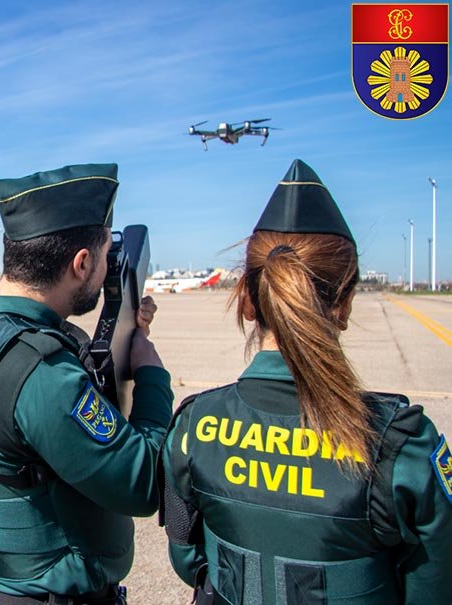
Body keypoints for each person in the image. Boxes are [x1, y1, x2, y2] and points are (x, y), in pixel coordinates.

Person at [161, 159, 452, 604]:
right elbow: (435, 587)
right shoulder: (400, 445)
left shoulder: (192, 428)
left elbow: (189, 562)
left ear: (247, 303)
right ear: (345, 304)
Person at [0, 163, 174, 604]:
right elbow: (145, 481)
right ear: (81, 262)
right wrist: (151, 372)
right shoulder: (45, 376)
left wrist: (118, 335)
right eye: (103, 258)